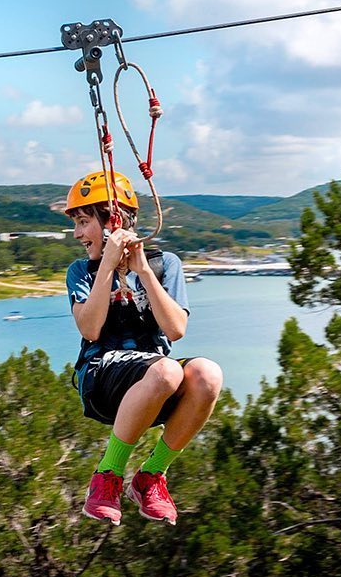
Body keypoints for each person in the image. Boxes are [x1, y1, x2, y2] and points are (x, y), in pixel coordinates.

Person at [65, 170, 224, 526]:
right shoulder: (81, 271)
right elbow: (90, 328)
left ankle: (150, 476)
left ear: (112, 221)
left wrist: (143, 272)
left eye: (83, 222)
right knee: (166, 371)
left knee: (208, 375)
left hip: (152, 381)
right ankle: (107, 477)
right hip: (102, 380)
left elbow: (175, 329)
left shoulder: (164, 264)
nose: (77, 234)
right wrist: (108, 263)